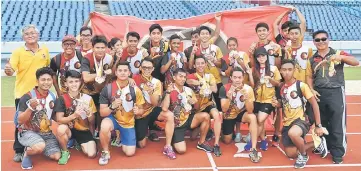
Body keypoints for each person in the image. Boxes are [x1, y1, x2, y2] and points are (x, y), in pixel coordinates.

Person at [306, 30, 359, 164]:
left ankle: (337, 152)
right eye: (317, 40)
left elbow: (355, 62)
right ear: (314, 42)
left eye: (323, 39)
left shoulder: (338, 53)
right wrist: (311, 89)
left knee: (337, 123)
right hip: (319, 93)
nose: (321, 42)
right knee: (322, 123)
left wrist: (342, 58)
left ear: (328, 39)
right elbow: (309, 76)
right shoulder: (312, 58)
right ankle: (324, 146)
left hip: (336, 92)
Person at [4, 24, 51, 163]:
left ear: (38, 35)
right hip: (23, 94)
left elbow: (47, 69)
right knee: (21, 123)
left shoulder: (45, 50)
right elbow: (10, 69)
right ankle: (19, 150)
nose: (30, 35)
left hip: (41, 93)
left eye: (33, 33)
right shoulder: (18, 52)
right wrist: (8, 70)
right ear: (23, 37)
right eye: (27, 33)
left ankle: (39, 145)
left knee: (40, 121)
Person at [276, 59, 325, 168]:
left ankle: (303, 155)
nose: (287, 72)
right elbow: (282, 103)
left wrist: (318, 125)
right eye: (284, 70)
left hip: (301, 120)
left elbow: (314, 104)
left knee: (293, 133)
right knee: (291, 153)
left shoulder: (301, 85)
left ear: (294, 70)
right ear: (280, 71)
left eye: (290, 69)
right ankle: (317, 143)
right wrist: (277, 104)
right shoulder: (280, 87)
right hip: (287, 123)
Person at [98, 61, 145, 165]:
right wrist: (112, 106)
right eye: (120, 70)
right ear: (116, 73)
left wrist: (138, 111)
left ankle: (121, 137)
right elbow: (102, 113)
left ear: (129, 73)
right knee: (105, 125)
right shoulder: (108, 88)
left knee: (129, 153)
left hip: (128, 123)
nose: (122, 73)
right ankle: (105, 152)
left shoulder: (135, 90)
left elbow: (142, 110)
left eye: (125, 70)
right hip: (113, 118)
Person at [16, 67, 60, 169]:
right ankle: (27, 152)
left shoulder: (52, 96)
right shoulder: (28, 96)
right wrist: (30, 108)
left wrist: (67, 121)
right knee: (40, 147)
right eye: (43, 80)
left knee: (56, 156)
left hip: (46, 132)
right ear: (37, 81)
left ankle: (39, 144)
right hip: (27, 131)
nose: (46, 82)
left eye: (49, 80)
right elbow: (19, 120)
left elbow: (53, 115)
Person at [132, 57, 176, 159]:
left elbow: (155, 103)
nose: (147, 70)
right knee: (141, 145)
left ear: (153, 69)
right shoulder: (133, 79)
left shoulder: (157, 82)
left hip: (152, 110)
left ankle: (168, 146)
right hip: (139, 114)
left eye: (149, 68)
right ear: (140, 68)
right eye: (144, 67)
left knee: (169, 115)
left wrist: (151, 92)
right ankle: (146, 128)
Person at [162, 68, 213, 154]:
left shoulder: (188, 90)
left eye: (184, 77)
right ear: (174, 77)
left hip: (189, 118)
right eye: (180, 76)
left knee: (206, 116)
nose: (183, 79)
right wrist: (167, 93)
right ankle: (173, 138)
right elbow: (164, 109)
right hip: (177, 124)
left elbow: (196, 108)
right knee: (181, 150)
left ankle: (201, 142)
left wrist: (195, 102)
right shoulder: (170, 90)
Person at [54, 70, 97, 165]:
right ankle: (65, 152)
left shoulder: (87, 98)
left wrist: (89, 113)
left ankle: (77, 142)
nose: (74, 84)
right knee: (61, 129)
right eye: (71, 82)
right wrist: (74, 115)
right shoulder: (61, 99)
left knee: (91, 154)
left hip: (83, 129)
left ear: (80, 82)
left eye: (76, 81)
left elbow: (92, 122)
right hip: (69, 129)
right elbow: (59, 119)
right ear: (66, 83)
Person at [219, 67, 260, 163]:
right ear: (231, 78)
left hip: (241, 113)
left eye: (239, 77)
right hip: (229, 114)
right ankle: (223, 129)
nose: (237, 80)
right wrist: (229, 97)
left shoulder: (248, 89)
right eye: (235, 77)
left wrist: (246, 99)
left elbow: (250, 110)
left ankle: (254, 149)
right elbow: (224, 109)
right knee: (227, 140)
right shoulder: (224, 88)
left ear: (243, 78)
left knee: (253, 117)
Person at [186, 56, 222, 157]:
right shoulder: (192, 76)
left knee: (217, 116)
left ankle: (216, 144)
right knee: (192, 137)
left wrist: (204, 85)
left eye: (202, 63)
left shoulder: (210, 76)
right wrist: (200, 83)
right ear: (194, 65)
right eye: (198, 63)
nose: (200, 65)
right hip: (196, 108)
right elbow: (189, 82)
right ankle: (205, 129)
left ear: (206, 64)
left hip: (208, 103)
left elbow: (214, 89)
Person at [81, 35, 113, 139]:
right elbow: (86, 78)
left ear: (106, 48)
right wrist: (102, 73)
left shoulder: (109, 58)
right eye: (97, 47)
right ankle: (88, 135)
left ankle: (100, 133)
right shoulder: (87, 58)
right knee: (89, 116)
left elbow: (111, 74)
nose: (100, 50)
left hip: (102, 90)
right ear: (93, 47)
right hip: (88, 91)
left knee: (101, 113)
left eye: (103, 47)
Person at [221, 37, 253, 142]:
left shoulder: (243, 54)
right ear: (227, 47)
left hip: (243, 84)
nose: (232, 47)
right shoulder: (226, 57)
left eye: (233, 45)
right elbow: (226, 73)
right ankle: (231, 130)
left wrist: (238, 59)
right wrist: (231, 63)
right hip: (232, 86)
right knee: (233, 106)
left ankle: (244, 132)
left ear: (237, 45)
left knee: (243, 105)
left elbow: (246, 69)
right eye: (230, 45)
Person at [251, 47, 281, 151]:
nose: (261, 58)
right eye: (258, 56)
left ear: (267, 56)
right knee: (259, 122)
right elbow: (251, 84)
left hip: (269, 100)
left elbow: (279, 83)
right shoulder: (254, 69)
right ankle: (263, 140)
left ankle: (252, 142)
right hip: (256, 99)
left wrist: (271, 80)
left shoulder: (273, 68)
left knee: (260, 119)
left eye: (263, 55)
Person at [188, 26, 224, 113]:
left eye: (206, 34)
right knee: (203, 107)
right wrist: (192, 54)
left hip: (216, 81)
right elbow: (190, 66)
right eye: (202, 34)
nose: (204, 36)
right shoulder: (196, 49)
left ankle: (221, 125)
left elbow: (222, 65)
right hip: (201, 82)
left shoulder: (216, 48)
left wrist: (214, 60)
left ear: (209, 35)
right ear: (199, 36)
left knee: (220, 107)